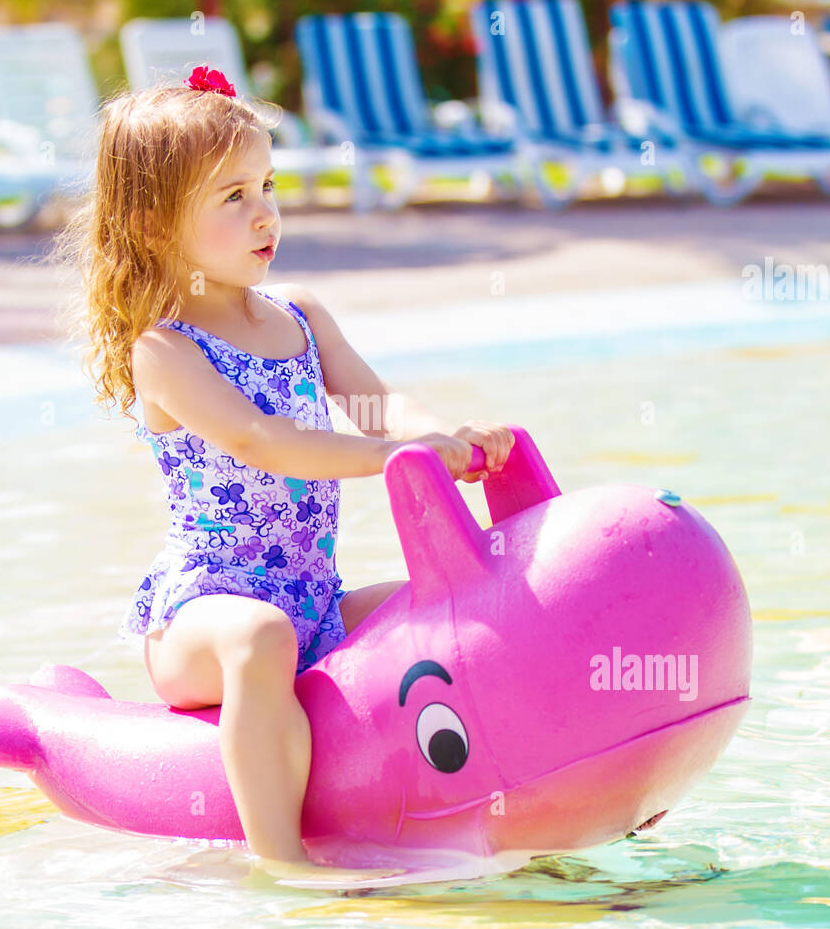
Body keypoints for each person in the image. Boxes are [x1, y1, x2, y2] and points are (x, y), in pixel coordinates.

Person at [58, 65, 513, 884]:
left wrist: (442, 440)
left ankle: (495, 791)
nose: (265, 212)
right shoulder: (164, 349)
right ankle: (283, 862)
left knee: (441, 596)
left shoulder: (301, 315)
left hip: (315, 599)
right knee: (261, 636)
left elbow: (376, 407)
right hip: (207, 616)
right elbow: (260, 440)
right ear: (150, 220)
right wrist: (390, 462)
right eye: (231, 196)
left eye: (266, 184)